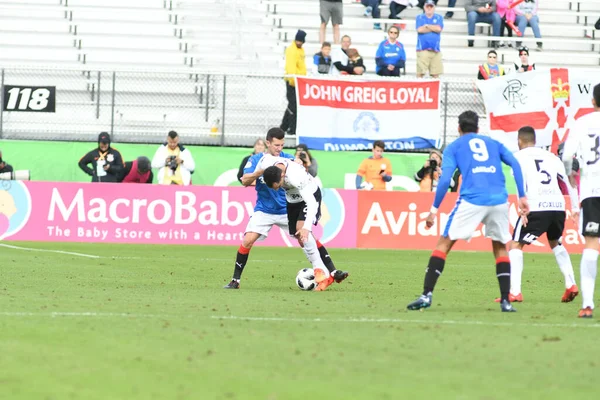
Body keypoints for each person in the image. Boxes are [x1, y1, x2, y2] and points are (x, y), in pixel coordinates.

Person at [406, 110, 529, 313]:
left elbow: (445, 180)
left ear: (459, 128)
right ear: (478, 128)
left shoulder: (454, 146)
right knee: (500, 247)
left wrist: (434, 210)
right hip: (499, 199)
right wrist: (522, 195)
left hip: (472, 199)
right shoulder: (493, 142)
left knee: (444, 243)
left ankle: (426, 295)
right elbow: (515, 163)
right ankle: (506, 301)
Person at [224, 128, 348, 289]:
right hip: (264, 209)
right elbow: (245, 180)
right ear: (268, 143)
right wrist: (261, 173)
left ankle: (331, 271)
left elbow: (306, 181)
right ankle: (235, 281)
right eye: (276, 145)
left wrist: (301, 164)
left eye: (282, 145)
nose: (279, 148)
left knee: (305, 236)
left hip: (286, 207)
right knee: (247, 240)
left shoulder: (289, 160)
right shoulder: (258, 160)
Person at [499, 126, 579, 303]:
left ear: (519, 141)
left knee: (515, 245)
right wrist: (574, 208)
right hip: (557, 206)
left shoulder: (517, 157)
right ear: (535, 141)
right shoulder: (552, 157)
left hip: (536, 205)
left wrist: (522, 203)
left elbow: (522, 180)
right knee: (555, 242)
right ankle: (570, 284)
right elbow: (567, 180)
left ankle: (515, 292)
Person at [262, 156, 340, 291]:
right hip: (292, 201)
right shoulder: (267, 164)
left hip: (310, 196)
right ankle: (330, 272)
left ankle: (319, 270)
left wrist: (306, 227)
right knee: (299, 237)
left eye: (278, 186)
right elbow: (269, 158)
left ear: (282, 176)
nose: (277, 189)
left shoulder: (295, 177)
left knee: (302, 230)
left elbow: (311, 203)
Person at [561, 82, 600, 319]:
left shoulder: (582, 122)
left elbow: (566, 155)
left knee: (591, 245)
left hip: (593, 190)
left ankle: (587, 304)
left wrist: (571, 176)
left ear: (593, 101)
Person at [281, 30, 306, 136]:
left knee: (292, 105)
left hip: (298, 81)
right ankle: (292, 128)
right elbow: (291, 67)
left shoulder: (300, 50)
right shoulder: (292, 50)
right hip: (293, 82)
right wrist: (293, 81)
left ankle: (283, 127)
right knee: (293, 106)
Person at [416, 0, 444, 78]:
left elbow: (439, 29)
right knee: (420, 73)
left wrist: (427, 26)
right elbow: (420, 30)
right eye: (427, 6)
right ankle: (419, 88)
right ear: (424, 7)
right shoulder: (420, 17)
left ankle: (435, 89)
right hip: (422, 49)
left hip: (435, 49)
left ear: (434, 7)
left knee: (436, 74)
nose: (429, 8)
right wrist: (433, 28)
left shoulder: (439, 17)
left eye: (431, 6)